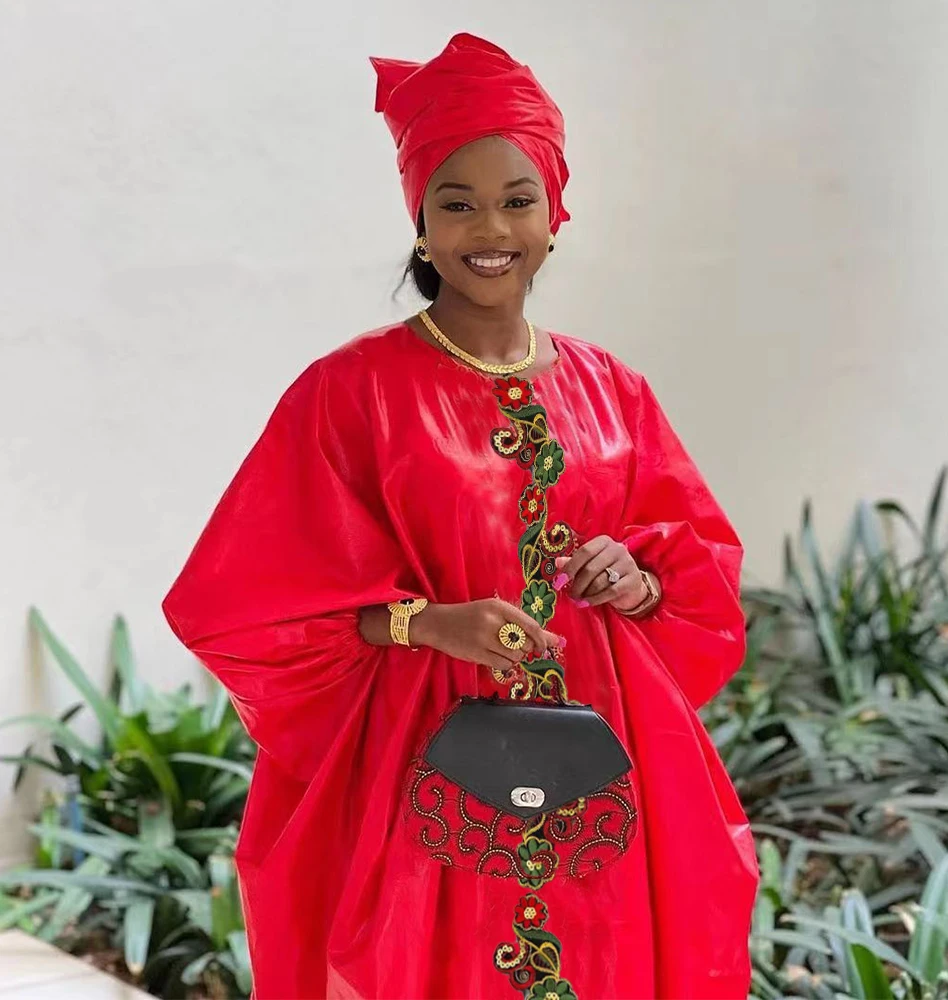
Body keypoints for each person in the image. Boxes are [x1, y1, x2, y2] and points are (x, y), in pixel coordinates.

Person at [162, 31, 759, 1000]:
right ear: (423, 224)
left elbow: (695, 569)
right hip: (417, 766)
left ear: (554, 214)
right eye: (458, 201)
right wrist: (424, 620)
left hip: (603, 757)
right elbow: (244, 604)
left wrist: (637, 575)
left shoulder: (615, 389)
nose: (492, 227)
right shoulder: (349, 393)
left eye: (517, 199)